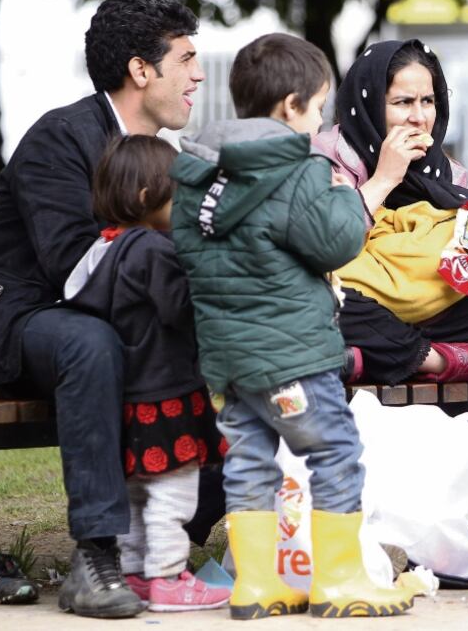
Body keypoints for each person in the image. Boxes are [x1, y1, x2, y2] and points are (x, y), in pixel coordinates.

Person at [0, 0, 204, 618]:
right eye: (186, 59)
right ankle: (96, 557)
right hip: (33, 323)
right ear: (141, 70)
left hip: (119, 321)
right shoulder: (60, 138)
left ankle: (175, 544)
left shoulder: (172, 158)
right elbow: (75, 268)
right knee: (91, 340)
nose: (197, 74)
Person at [170, 33, 414, 620]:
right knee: (335, 453)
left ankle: (255, 583)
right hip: (294, 359)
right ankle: (339, 580)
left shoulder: (199, 177)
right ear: (289, 106)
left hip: (229, 362)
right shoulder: (296, 171)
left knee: (250, 459)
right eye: (317, 108)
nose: (320, 122)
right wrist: (348, 195)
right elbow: (334, 243)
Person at [62, 135, 229, 612]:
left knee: (138, 497)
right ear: (145, 198)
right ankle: (170, 577)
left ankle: (135, 573)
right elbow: (181, 310)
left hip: (128, 399)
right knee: (173, 496)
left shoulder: (104, 249)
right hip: (168, 396)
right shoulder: (155, 251)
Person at [314, 39, 468, 386]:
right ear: (370, 103)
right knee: (324, 299)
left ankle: (373, 354)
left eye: (428, 101)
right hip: (356, 300)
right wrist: (385, 178)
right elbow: (321, 253)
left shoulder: (449, 174)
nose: (419, 118)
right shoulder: (326, 160)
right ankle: (434, 359)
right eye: (403, 103)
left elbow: (441, 274)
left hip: (416, 310)